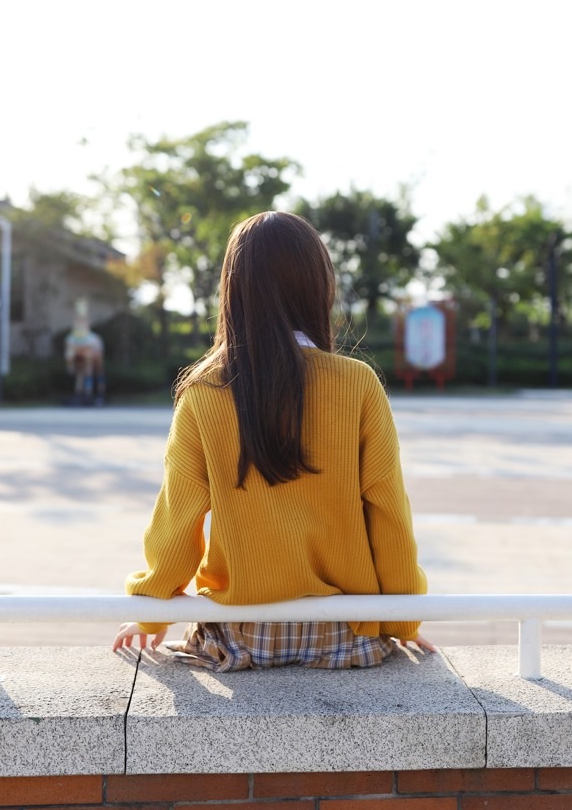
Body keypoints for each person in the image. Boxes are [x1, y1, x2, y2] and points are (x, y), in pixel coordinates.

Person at [113, 210, 434, 670]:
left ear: (233, 291)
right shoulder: (357, 383)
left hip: (242, 639)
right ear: (317, 285)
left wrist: (150, 612)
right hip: (344, 637)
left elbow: (177, 517)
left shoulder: (205, 391)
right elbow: (388, 514)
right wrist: (405, 619)